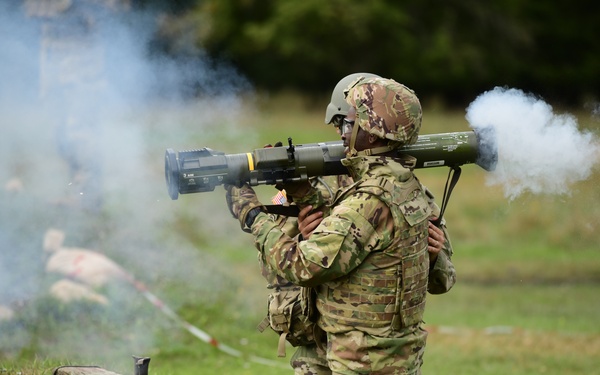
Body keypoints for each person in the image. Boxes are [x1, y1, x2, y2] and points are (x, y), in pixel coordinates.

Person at [227, 77, 452, 374]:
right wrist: (304, 196)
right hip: (356, 349)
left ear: (371, 134)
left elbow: (302, 265)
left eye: (347, 125)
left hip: (362, 358)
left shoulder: (371, 198)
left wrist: (252, 215)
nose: (342, 135)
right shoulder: (404, 186)